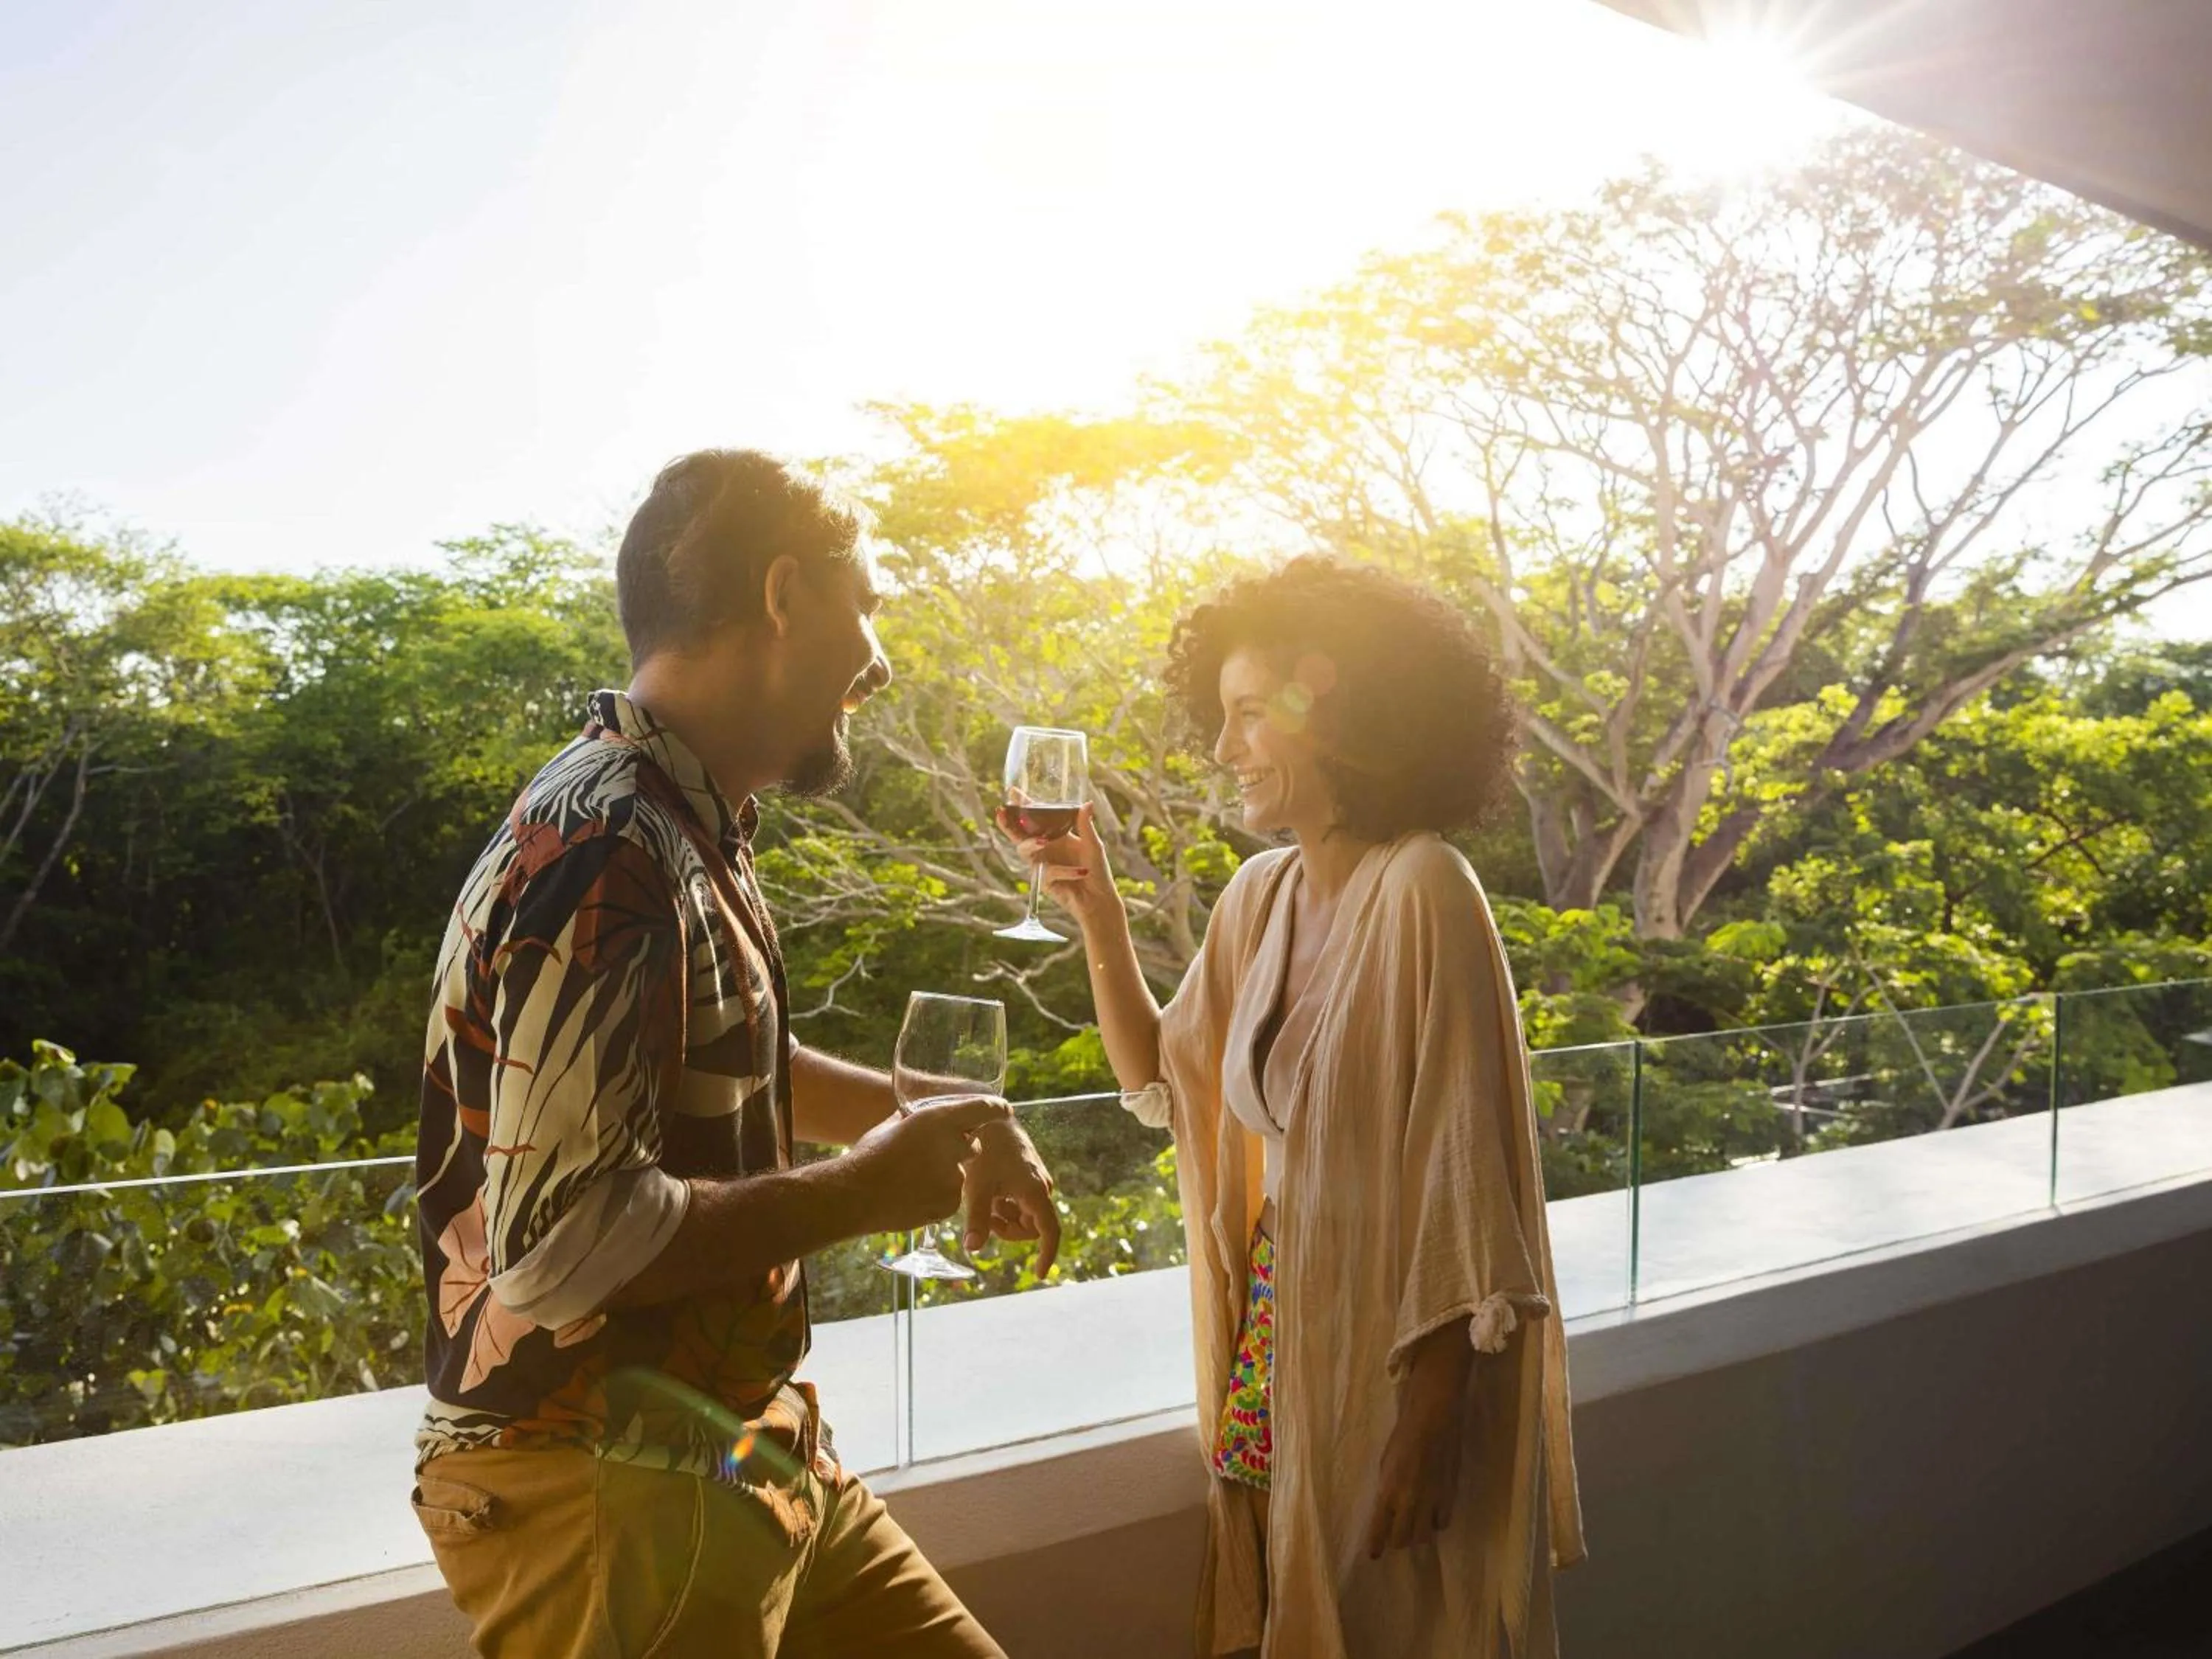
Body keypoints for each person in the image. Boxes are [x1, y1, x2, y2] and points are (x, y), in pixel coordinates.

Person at [411, 448, 1059, 1659]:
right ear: (782, 595)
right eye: (863, 603)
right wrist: (873, 1186)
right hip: (608, 1486)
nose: (878, 654)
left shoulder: (683, 821)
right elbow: (562, 1248)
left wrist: (940, 1120)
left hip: (745, 1449)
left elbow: (726, 1056)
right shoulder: (609, 841)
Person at [1009, 557, 1585, 1658]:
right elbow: (1164, 1082)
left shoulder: (1426, 888)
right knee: (1292, 1618)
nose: (1225, 749)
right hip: (1276, 1343)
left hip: (1393, 1363)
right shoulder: (1257, 898)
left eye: (1245, 717)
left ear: (1342, 715)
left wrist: (1428, 1424)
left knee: (1400, 1624)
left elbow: (1466, 1185)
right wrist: (1096, 908)